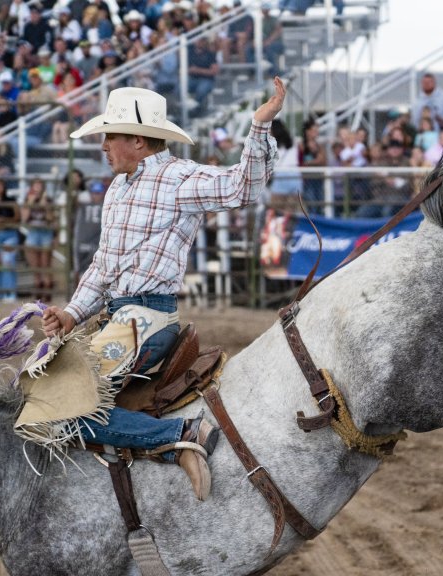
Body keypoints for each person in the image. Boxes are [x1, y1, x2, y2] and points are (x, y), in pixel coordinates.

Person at [41, 79, 286, 499]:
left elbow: (242, 187)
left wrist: (259, 127)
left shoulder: (180, 178)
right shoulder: (117, 189)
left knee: (60, 407)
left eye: (109, 136)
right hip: (120, 318)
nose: (103, 146)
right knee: (42, 396)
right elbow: (104, 264)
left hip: (147, 320)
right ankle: (172, 447)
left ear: (137, 140)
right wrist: (71, 313)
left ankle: (181, 433)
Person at [21, 179, 57, 301]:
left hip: (46, 232)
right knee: (35, 266)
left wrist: (45, 206)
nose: (37, 188)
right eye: (35, 185)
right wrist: (30, 204)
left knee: (45, 264)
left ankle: (47, 292)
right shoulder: (28, 200)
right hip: (33, 232)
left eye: (39, 186)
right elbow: (24, 219)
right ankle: (38, 290)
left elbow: (50, 218)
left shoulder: (49, 200)